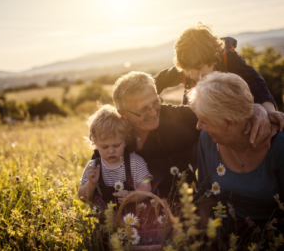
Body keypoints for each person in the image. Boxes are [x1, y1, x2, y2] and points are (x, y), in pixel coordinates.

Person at [98, 71, 274, 201]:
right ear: (123, 113)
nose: (153, 112)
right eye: (143, 109)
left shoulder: (179, 118)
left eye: (155, 102)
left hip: (187, 216)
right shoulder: (113, 135)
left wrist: (257, 109)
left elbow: (224, 110)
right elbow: (97, 179)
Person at [188, 72, 284, 243]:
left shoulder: (280, 147)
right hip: (225, 241)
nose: (198, 126)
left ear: (229, 124)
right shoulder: (208, 138)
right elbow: (205, 197)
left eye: (204, 120)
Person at [154, 23, 284, 130]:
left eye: (199, 69)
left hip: (226, 111)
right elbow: (157, 81)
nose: (192, 75)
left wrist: (269, 110)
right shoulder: (186, 66)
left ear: (216, 58)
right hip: (194, 112)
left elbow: (254, 81)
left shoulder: (230, 60)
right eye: (186, 70)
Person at [78, 105, 152, 212]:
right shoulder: (93, 167)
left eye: (116, 145)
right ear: (95, 144)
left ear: (125, 141)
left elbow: (146, 189)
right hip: (107, 220)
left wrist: (130, 196)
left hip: (133, 219)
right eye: (104, 147)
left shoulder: (135, 162)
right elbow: (82, 197)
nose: (111, 151)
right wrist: (91, 183)